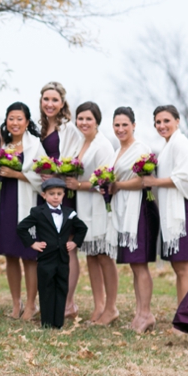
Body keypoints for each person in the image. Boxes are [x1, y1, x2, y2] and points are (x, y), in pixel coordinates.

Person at [142, 105, 188, 304]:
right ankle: (182, 316)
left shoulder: (181, 144)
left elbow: (185, 178)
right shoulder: (168, 145)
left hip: (187, 208)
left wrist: (154, 182)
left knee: (186, 268)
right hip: (174, 210)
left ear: (177, 121)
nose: (161, 125)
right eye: (158, 122)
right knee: (178, 267)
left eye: (166, 121)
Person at [65, 102, 120, 325]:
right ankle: (98, 306)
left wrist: (78, 185)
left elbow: (105, 182)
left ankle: (111, 307)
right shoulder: (80, 142)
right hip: (83, 206)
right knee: (90, 255)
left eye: (88, 119)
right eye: (80, 119)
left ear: (97, 120)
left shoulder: (102, 145)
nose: (84, 123)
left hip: (100, 205)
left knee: (104, 256)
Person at [107, 106, 160, 333]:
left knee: (140, 264)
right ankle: (140, 313)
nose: (120, 129)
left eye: (124, 125)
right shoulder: (117, 151)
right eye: (117, 125)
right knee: (134, 264)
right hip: (123, 210)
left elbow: (144, 181)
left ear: (134, 125)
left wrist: (117, 185)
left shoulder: (140, 149)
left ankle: (146, 313)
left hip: (140, 210)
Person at [0, 102, 46, 320]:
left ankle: (32, 305)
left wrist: (16, 175)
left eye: (19, 119)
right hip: (6, 202)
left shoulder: (35, 146)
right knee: (11, 255)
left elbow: (42, 177)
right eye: (11, 118)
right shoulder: (2, 146)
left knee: (29, 256)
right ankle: (17, 304)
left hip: (29, 205)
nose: (14, 123)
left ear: (27, 122)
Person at [37, 82, 85, 320]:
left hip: (64, 195)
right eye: (46, 99)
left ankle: (69, 302)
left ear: (62, 103)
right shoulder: (38, 129)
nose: (50, 104)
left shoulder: (69, 130)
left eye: (55, 100)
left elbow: (76, 161)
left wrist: (56, 173)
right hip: (43, 195)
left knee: (67, 248)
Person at [17, 177, 87, 329]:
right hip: (46, 258)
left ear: (64, 195)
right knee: (46, 288)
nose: (55, 197)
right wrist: (32, 243)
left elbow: (82, 228)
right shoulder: (38, 212)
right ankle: (47, 323)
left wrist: (74, 242)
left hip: (62, 258)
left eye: (59, 193)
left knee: (61, 287)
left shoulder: (69, 213)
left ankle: (58, 322)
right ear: (44, 195)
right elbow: (22, 227)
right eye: (52, 193)